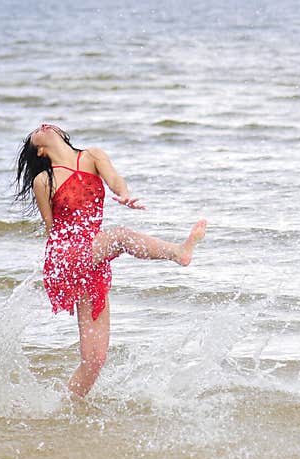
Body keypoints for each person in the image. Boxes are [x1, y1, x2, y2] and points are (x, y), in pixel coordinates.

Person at [14, 124, 207, 399]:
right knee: (121, 236)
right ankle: (178, 252)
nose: (43, 126)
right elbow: (51, 228)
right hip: (66, 252)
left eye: (47, 125)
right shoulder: (43, 181)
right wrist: (62, 265)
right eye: (36, 131)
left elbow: (115, 181)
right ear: (40, 150)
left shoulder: (93, 156)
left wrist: (124, 195)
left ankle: (61, 406)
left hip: (93, 257)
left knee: (95, 358)